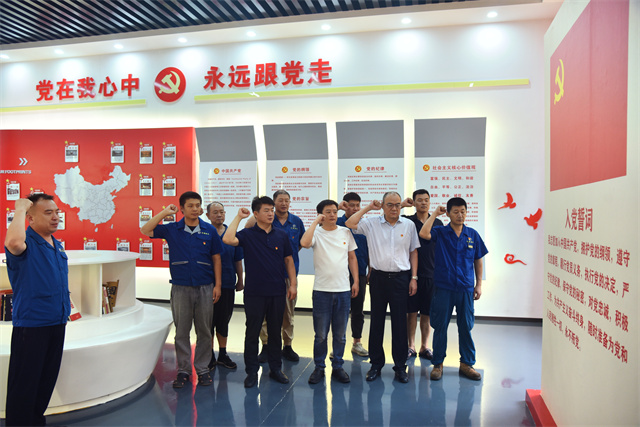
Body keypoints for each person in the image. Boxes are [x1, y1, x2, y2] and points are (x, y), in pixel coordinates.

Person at [141, 191, 222, 388]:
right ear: (182, 209)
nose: (195, 209)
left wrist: (218, 285)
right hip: (180, 287)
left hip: (205, 287)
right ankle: (184, 370)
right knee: (182, 331)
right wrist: (164, 213)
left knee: (204, 331)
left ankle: (202, 369)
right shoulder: (172, 229)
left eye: (197, 205)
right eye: (190, 206)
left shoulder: (209, 230)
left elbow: (216, 258)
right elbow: (145, 230)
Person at [4, 194, 70, 426]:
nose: (55, 217)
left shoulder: (56, 244)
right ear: (30, 218)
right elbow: (13, 243)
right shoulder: (25, 243)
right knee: (25, 385)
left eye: (57, 212)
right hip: (32, 326)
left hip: (57, 322)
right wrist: (20, 208)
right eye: (48, 212)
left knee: (45, 382)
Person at [222, 196, 297, 388]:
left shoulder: (281, 235)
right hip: (255, 292)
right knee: (252, 332)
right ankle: (252, 372)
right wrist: (239, 217)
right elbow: (228, 239)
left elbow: (288, 260)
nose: (271, 213)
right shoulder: (248, 234)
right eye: (266, 210)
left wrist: (293, 285)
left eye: (272, 210)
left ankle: (276, 368)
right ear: (256, 214)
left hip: (277, 291)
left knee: (275, 331)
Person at [345, 192, 419, 383]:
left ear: (401, 206)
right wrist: (369, 207)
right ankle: (376, 364)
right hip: (378, 278)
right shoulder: (371, 223)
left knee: (399, 324)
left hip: (401, 279)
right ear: (383, 206)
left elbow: (413, 252)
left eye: (397, 205)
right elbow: (350, 223)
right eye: (390, 205)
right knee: (377, 322)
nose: (394, 208)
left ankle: (400, 366)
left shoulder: (408, 225)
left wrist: (414, 278)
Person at [419, 197, 488, 381]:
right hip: (444, 287)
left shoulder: (472, 234)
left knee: (466, 326)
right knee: (440, 326)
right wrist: (435, 213)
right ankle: (438, 364)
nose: (460, 215)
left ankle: (467, 364)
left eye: (463, 211)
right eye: (456, 212)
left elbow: (478, 260)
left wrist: (479, 284)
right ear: (448, 214)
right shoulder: (441, 232)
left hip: (465, 288)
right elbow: (424, 234)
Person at [301, 199, 359, 384]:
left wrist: (356, 281)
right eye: (328, 212)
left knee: (340, 335)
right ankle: (319, 367)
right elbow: (304, 243)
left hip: (343, 290)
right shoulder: (316, 233)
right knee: (320, 335)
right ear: (321, 214)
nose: (333, 215)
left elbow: (352, 257)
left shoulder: (345, 232)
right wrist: (315, 222)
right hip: (322, 291)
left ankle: (338, 366)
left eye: (335, 211)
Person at [246, 189, 305, 362]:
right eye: (280, 200)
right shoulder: (265, 220)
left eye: (287, 200)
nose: (284, 203)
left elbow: (299, 244)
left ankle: (287, 345)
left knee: (288, 313)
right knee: (265, 315)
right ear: (274, 203)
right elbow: (249, 230)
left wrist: (292, 281)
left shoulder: (296, 221)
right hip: (266, 275)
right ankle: (266, 345)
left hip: (288, 275)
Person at [400, 189, 443, 360]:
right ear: (414, 203)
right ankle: (410, 346)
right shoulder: (408, 221)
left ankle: (425, 346)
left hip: (432, 274)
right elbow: (388, 217)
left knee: (427, 312)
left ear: (430, 202)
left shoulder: (438, 222)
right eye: (419, 200)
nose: (423, 203)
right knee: (411, 312)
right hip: (411, 275)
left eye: (426, 200)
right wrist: (402, 205)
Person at [205, 202, 244, 370]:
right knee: (208, 321)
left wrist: (240, 280)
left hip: (227, 283)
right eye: (215, 212)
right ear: (208, 215)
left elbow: (238, 260)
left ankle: (222, 353)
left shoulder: (231, 234)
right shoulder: (205, 233)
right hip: (207, 285)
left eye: (222, 212)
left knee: (223, 320)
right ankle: (208, 355)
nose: (219, 215)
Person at [337, 192, 370, 357]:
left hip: (361, 273)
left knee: (358, 310)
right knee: (340, 310)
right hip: (340, 274)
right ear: (345, 205)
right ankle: (338, 343)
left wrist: (371, 269)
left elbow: (371, 247)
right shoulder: (337, 222)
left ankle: (357, 342)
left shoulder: (365, 225)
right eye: (352, 205)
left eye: (358, 205)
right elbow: (321, 221)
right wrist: (337, 207)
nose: (355, 208)